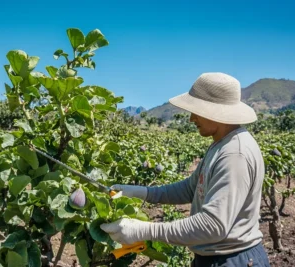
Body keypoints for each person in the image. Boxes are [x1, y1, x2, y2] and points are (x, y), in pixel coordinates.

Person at [100, 72, 271, 267]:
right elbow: (190, 189)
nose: (191, 119)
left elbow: (212, 226)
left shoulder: (234, 154)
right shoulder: (221, 144)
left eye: (196, 111)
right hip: (219, 257)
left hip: (232, 260)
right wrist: (141, 192)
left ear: (216, 111)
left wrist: (145, 230)